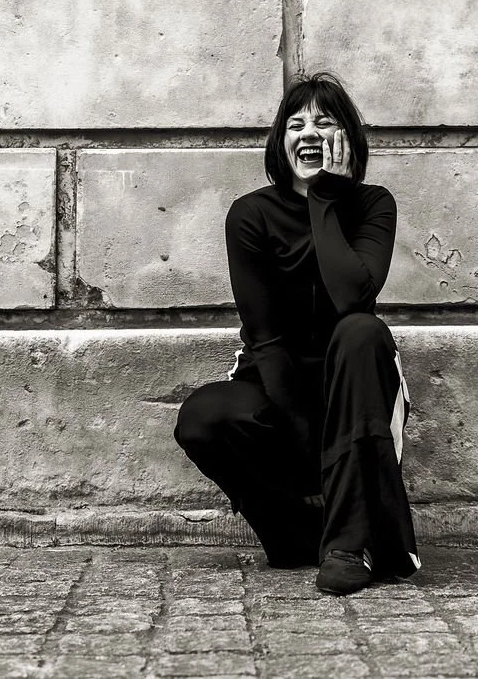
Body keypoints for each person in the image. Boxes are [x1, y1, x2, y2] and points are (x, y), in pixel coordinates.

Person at [173, 72, 420, 595]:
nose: (309, 133)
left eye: (325, 123)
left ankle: (351, 544)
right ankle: (292, 533)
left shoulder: (373, 205)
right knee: (203, 417)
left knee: (361, 331)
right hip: (276, 380)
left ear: (346, 140)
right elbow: (265, 338)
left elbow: (354, 297)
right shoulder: (251, 215)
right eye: (296, 124)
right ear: (280, 142)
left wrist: (326, 199)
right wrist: (310, 456)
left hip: (354, 384)